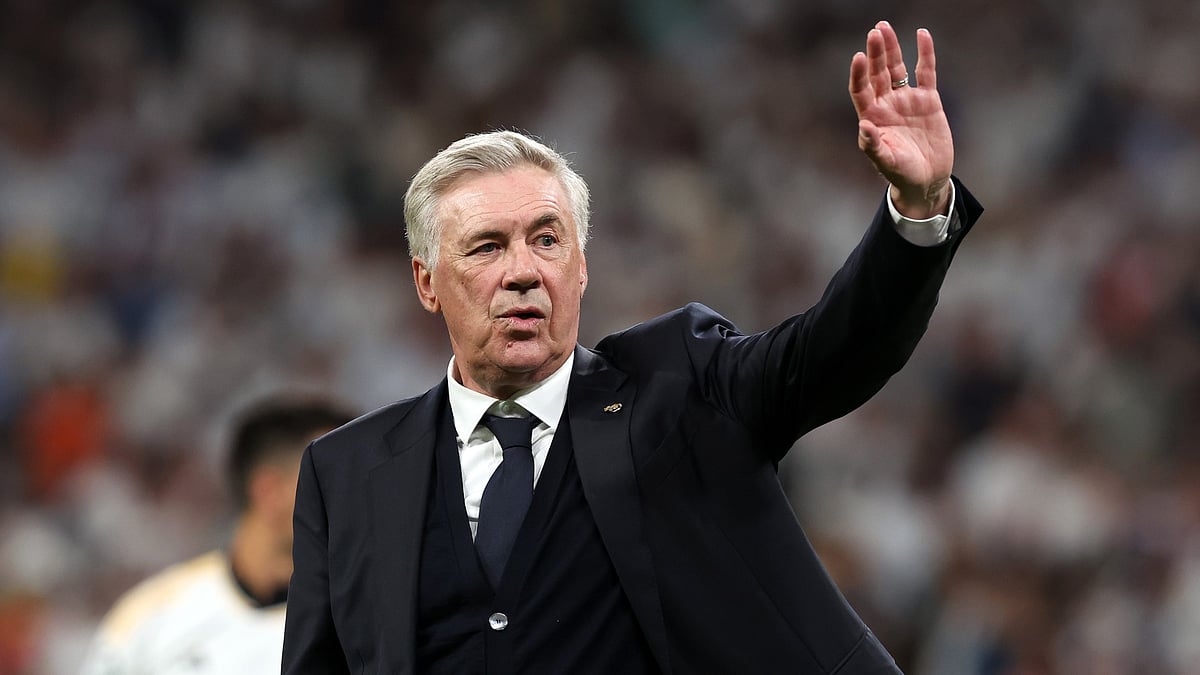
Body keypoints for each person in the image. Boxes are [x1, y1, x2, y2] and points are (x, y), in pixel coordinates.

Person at [283, 20, 983, 674]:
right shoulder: (344, 474)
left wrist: (917, 210)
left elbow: (835, 350)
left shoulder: (680, 385)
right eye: (488, 246)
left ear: (581, 267)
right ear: (427, 282)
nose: (523, 271)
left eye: (547, 240)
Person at [80, 395, 354, 675]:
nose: (359, 500)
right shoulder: (148, 621)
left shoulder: (366, 623)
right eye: (338, 481)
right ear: (270, 493)